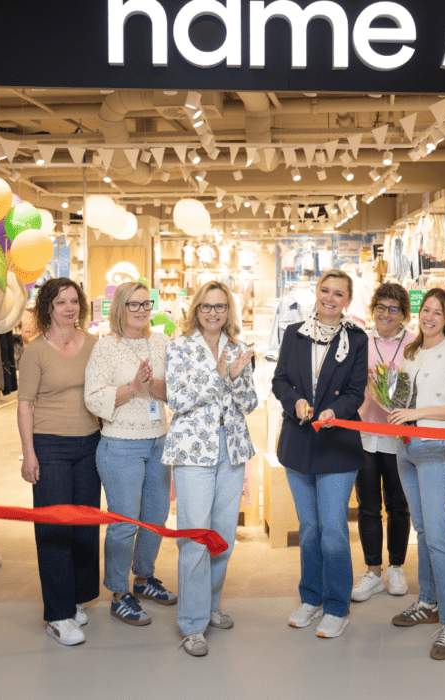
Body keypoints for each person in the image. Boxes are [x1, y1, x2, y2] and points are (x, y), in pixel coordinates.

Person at [162, 281, 257, 657]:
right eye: (206, 306)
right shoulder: (179, 346)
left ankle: (211, 605)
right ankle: (192, 623)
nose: (213, 313)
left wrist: (234, 378)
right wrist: (218, 376)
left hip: (231, 450)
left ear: (228, 310)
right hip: (193, 452)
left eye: (220, 306)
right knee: (195, 538)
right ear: (196, 309)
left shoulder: (238, 347)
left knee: (223, 537)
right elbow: (177, 399)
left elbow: (249, 403)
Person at [272, 269, 368, 639]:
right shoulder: (294, 333)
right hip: (298, 443)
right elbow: (280, 380)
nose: (330, 298)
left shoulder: (356, 339)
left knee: (333, 530)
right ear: (316, 292)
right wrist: (295, 401)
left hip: (337, 444)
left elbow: (356, 391)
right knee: (309, 528)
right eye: (325, 290)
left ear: (348, 300)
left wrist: (335, 412)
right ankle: (311, 598)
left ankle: (337, 607)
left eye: (338, 293)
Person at [387, 288, 445, 660]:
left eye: (438, 312)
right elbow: (402, 398)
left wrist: (417, 414)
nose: (430, 317)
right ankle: (428, 602)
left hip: (436, 448)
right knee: (422, 530)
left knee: (438, 536)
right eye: (426, 310)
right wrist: (390, 400)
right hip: (406, 449)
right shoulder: (411, 352)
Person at [84, 281, 176, 628]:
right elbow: (93, 398)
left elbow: (176, 391)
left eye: (146, 303)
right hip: (120, 444)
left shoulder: (162, 343)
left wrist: (153, 386)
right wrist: (133, 388)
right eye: (133, 304)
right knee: (124, 523)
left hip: (159, 441)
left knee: (156, 518)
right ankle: (119, 593)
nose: (141, 310)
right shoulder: (106, 347)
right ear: (120, 308)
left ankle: (144, 578)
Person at [17, 278, 101, 647]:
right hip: (50, 445)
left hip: (90, 443)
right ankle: (57, 615)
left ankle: (76, 597)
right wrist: (29, 452)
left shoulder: (93, 344)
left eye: (74, 301)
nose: (69, 308)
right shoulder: (36, 351)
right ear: (48, 307)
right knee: (54, 527)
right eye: (61, 302)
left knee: (85, 524)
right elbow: (25, 405)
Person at [352, 282, 415, 602]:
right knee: (368, 505)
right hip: (365, 433)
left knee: (398, 504)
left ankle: (396, 567)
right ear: (373, 309)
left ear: (403, 313)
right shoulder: (361, 341)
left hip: (399, 436)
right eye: (381, 307)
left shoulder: (414, 343)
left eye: (393, 309)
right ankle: (373, 571)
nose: (386, 314)